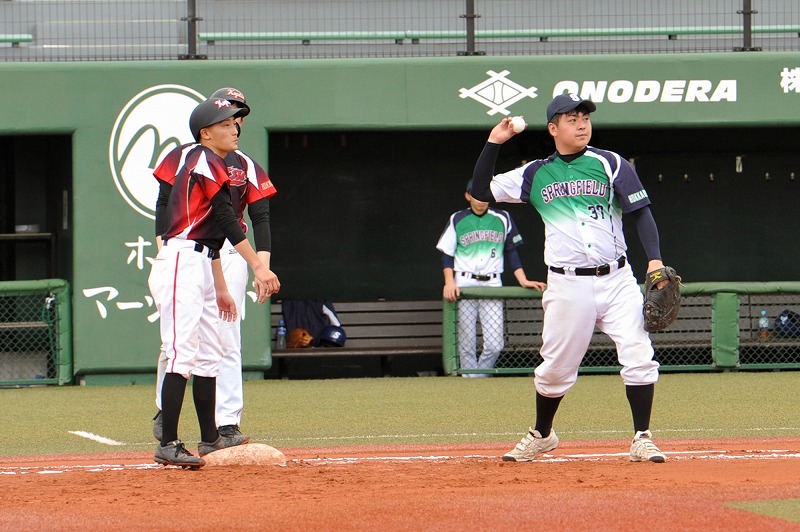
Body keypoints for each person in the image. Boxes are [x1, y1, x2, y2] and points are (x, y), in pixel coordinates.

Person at [470, 93, 669, 463]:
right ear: (553, 128)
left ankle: (642, 437)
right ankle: (542, 434)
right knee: (555, 369)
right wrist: (495, 141)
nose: (581, 125)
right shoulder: (534, 174)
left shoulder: (611, 163)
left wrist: (654, 260)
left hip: (616, 279)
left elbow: (641, 212)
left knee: (639, 355)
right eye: (572, 119)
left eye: (585, 118)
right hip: (566, 284)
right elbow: (479, 191)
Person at [148, 97, 278, 468]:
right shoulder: (200, 158)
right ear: (205, 133)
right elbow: (225, 219)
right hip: (182, 259)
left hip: (205, 260)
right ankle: (168, 442)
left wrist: (220, 287)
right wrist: (259, 266)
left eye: (235, 122)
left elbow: (214, 237)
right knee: (181, 351)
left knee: (210, 352)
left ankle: (211, 438)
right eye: (225, 124)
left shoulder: (219, 162)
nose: (234, 128)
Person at [436, 179, 546, 377]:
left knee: (495, 343)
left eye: (484, 196)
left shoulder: (503, 217)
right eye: (476, 196)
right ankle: (473, 381)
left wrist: (523, 280)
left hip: (493, 282)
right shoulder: (457, 218)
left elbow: (511, 250)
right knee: (466, 340)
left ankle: (476, 377)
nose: (481, 200)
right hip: (465, 282)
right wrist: (449, 282)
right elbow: (447, 254)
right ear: (467, 196)